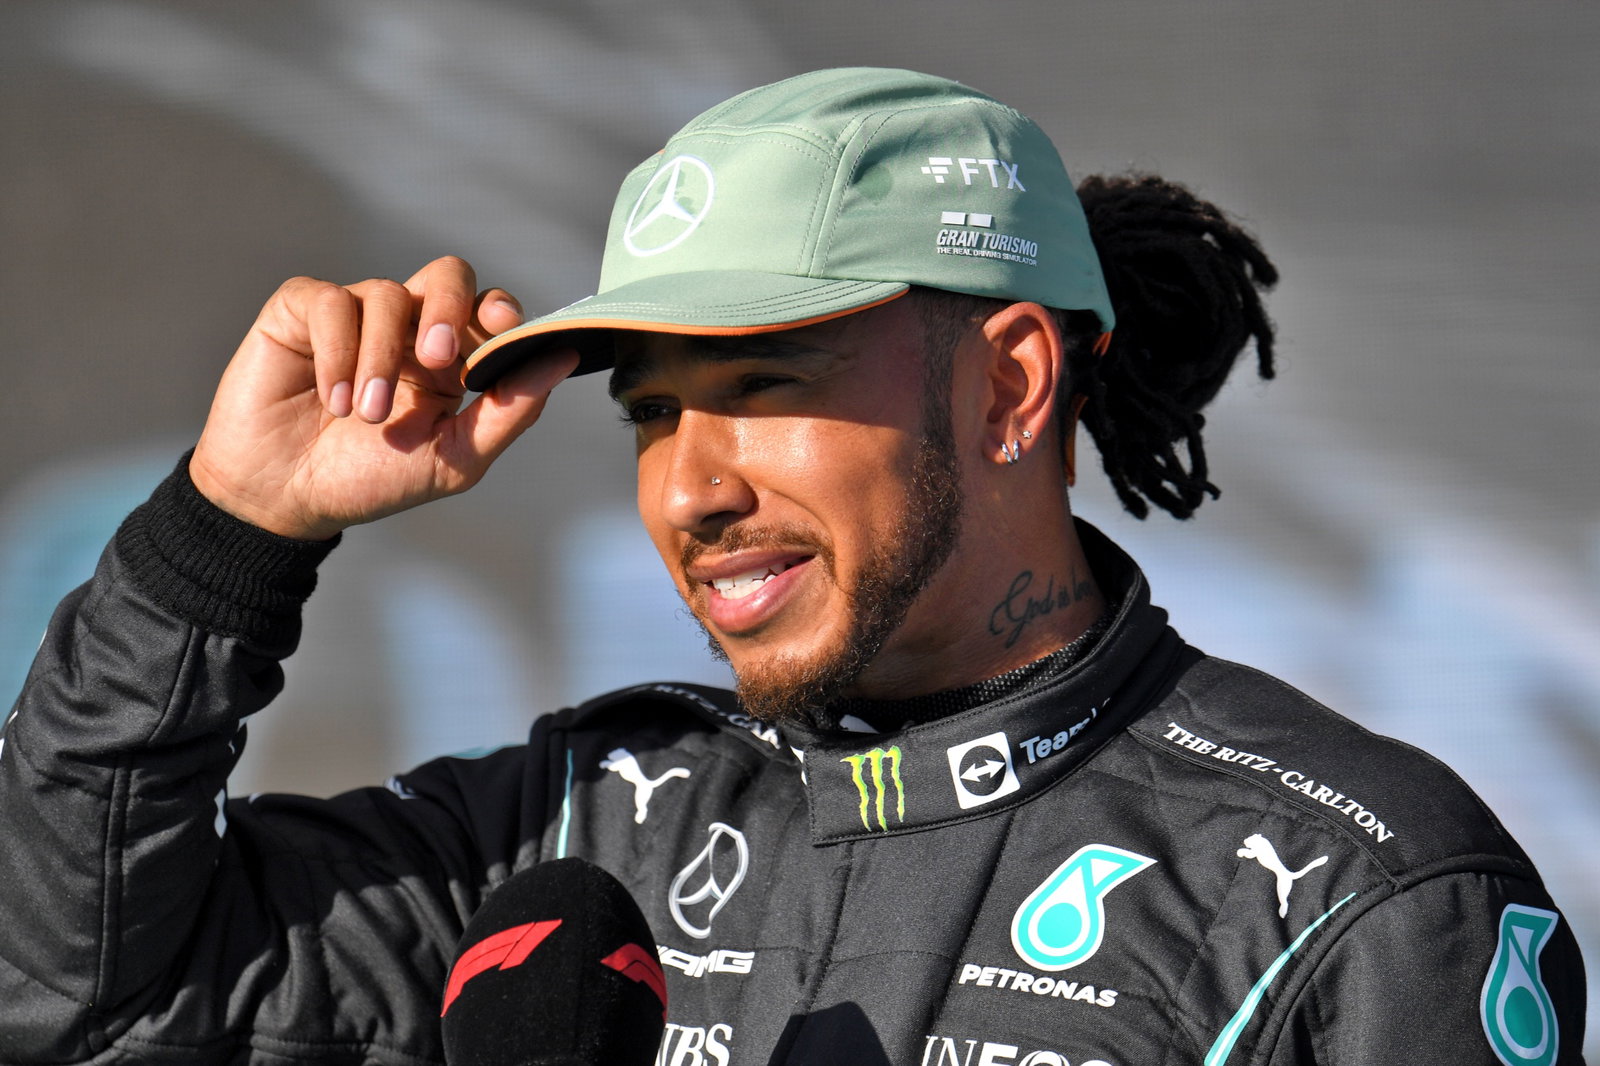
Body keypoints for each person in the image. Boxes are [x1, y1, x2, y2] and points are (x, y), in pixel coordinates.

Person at [0, 67, 1585, 1066]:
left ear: (1010, 387)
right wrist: (231, 530)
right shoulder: (576, 823)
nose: (691, 487)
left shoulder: (1358, 896)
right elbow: (77, 996)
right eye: (653, 413)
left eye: (764, 388)